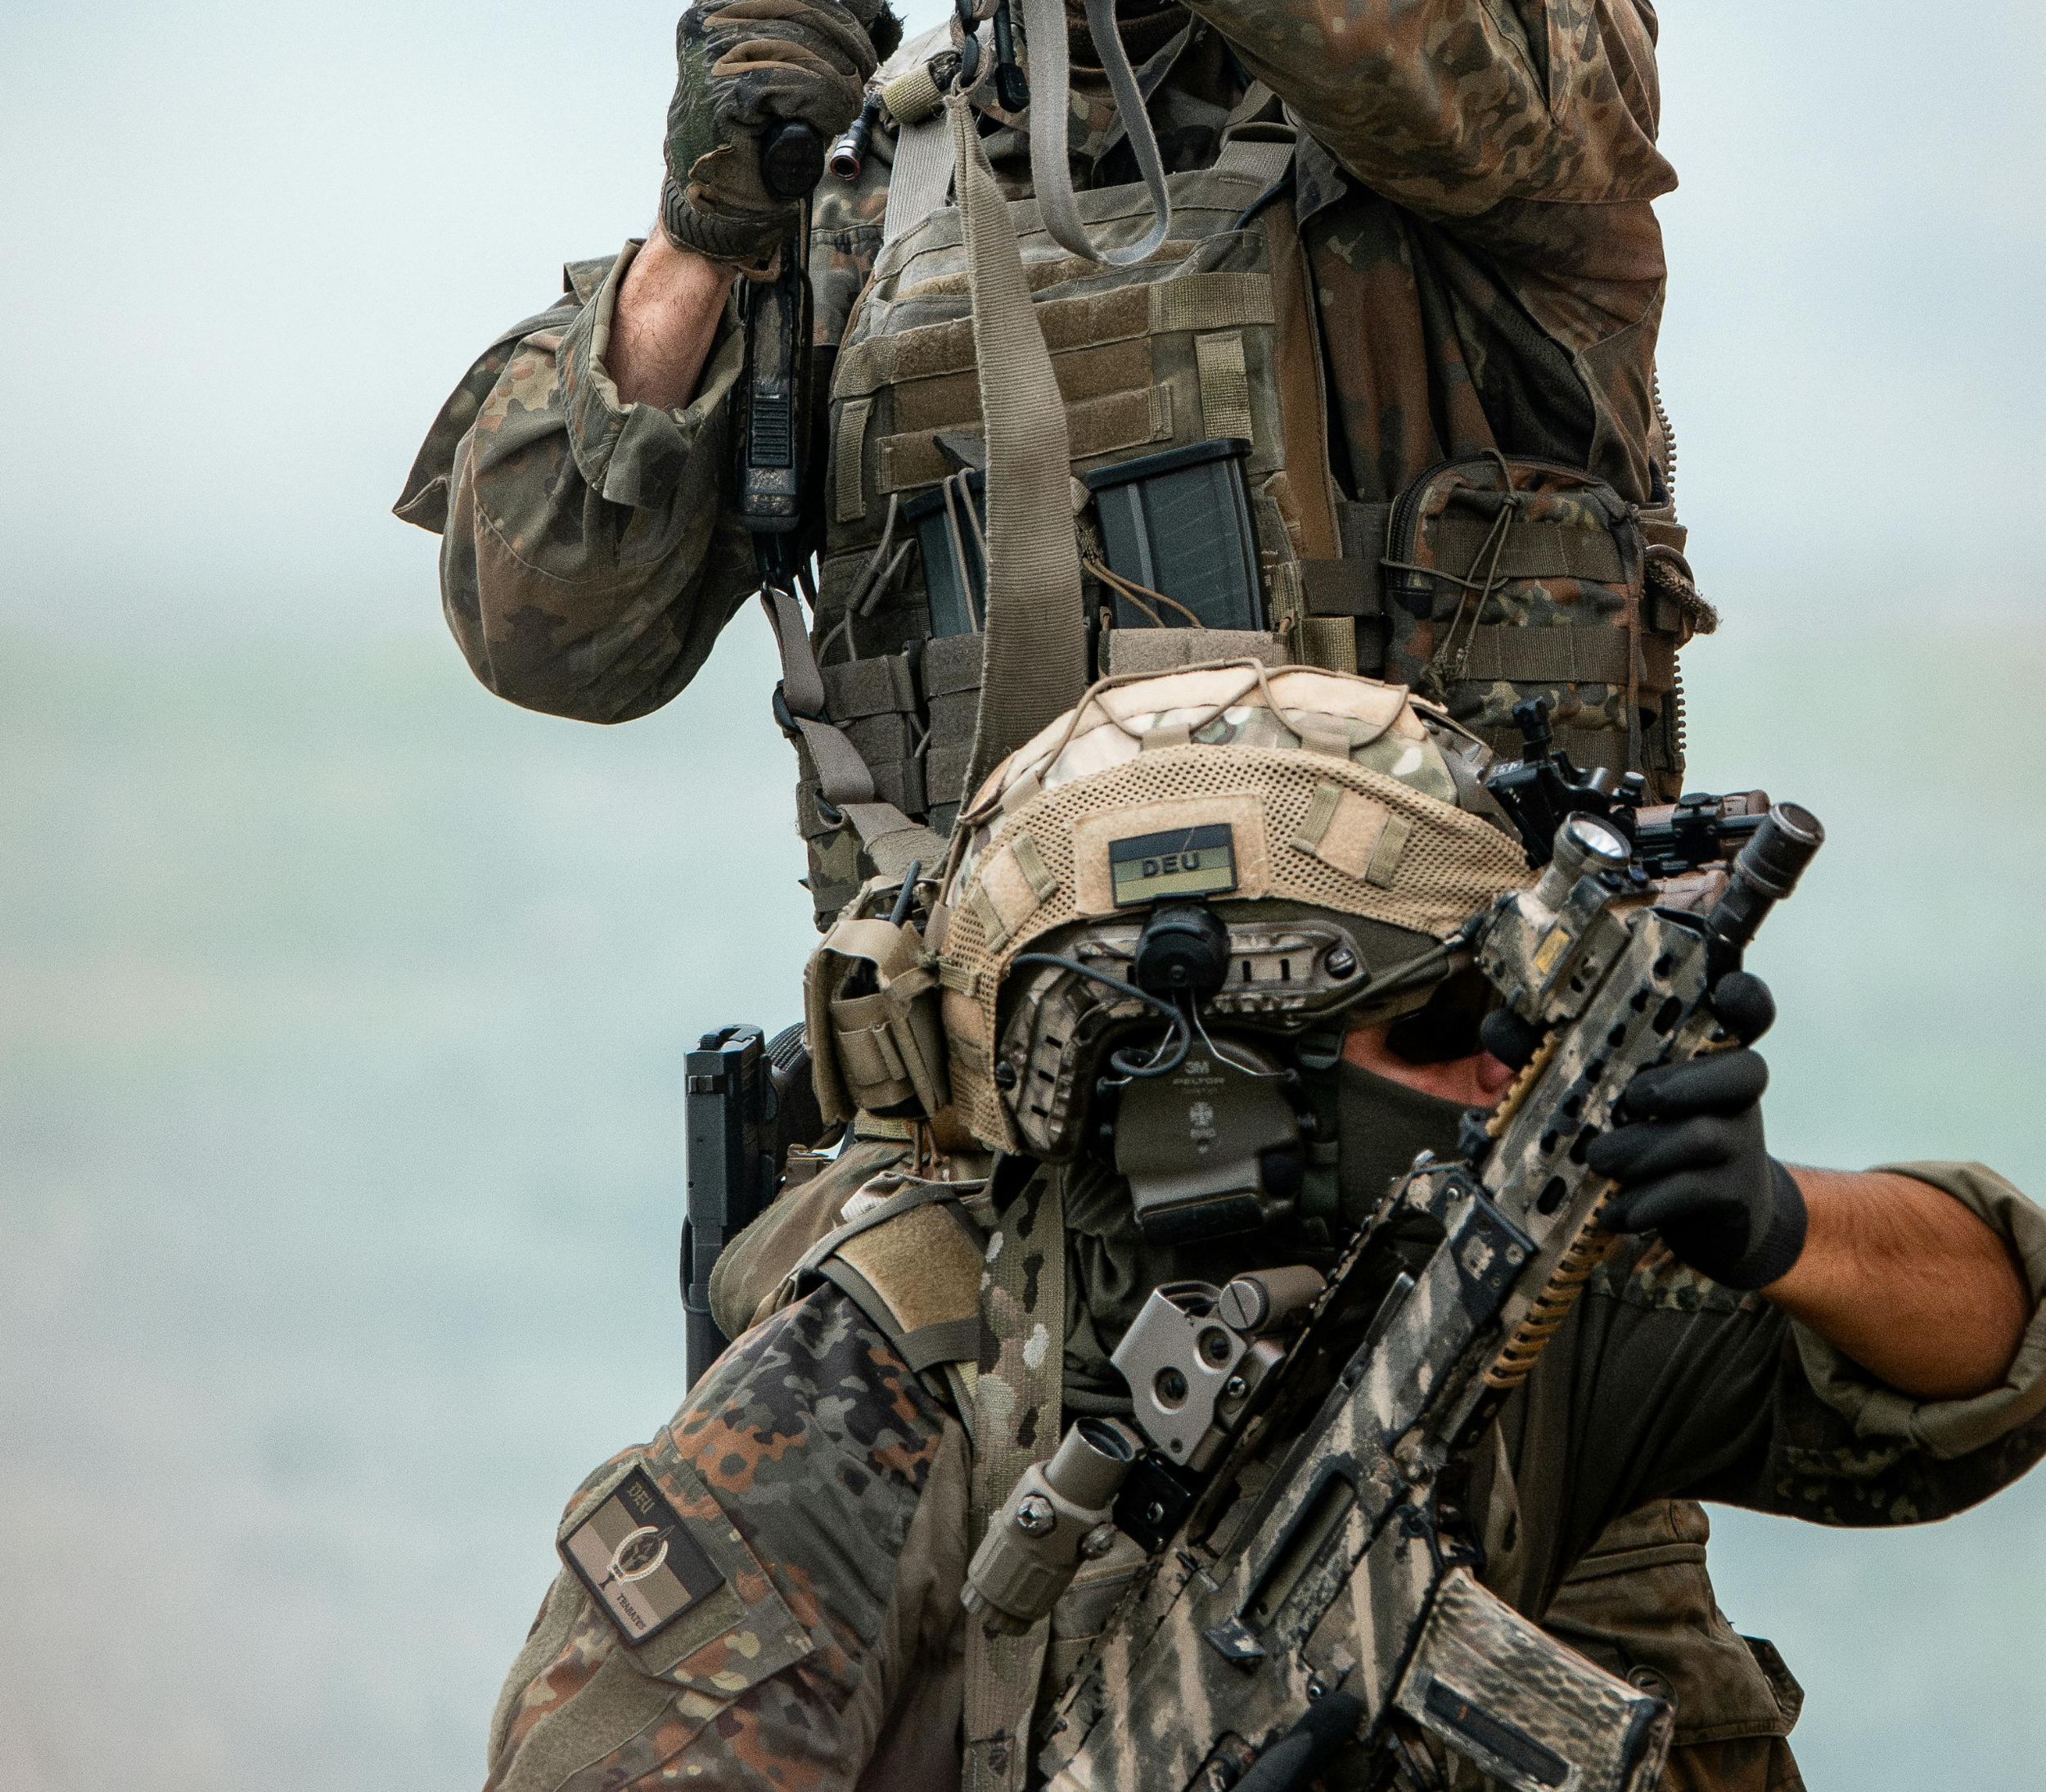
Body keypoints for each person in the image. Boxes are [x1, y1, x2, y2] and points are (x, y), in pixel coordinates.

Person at [395, 0, 1800, 1782]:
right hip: (963, 1246)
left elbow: (1355, 1)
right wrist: (708, 231)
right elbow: (547, 612)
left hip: (1439, 1210)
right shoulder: (882, 193)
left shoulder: (1515, 69)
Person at [468, 666, 2046, 1792]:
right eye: (1437, 1030)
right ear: (1220, 1091)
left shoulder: (1476, 1281)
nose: (1503, 1073)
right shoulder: (854, 1413)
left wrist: (1791, 1232)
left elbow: (1996, 1356)